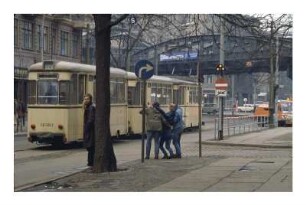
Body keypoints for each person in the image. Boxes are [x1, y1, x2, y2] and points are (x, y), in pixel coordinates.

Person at [83, 93, 96, 168]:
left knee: (90, 147)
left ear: (90, 99)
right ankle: (90, 162)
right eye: (85, 99)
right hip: (90, 130)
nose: (85, 100)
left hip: (90, 131)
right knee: (90, 146)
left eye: (87, 99)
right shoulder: (88, 107)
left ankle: (90, 162)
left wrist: (86, 128)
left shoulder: (90, 108)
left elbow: (90, 120)